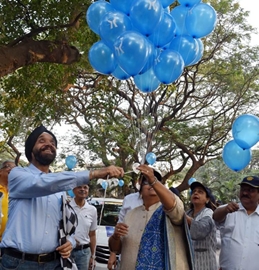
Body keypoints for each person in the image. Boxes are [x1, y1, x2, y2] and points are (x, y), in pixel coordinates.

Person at [0, 125, 124, 270]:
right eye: (42, 141)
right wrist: (94, 173)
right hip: (18, 264)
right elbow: (41, 184)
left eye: (53, 142)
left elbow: (65, 225)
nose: (49, 144)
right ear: (30, 150)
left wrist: (70, 241)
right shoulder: (17, 174)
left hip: (53, 263)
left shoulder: (59, 190)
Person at [108, 164, 193, 270]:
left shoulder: (169, 211)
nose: (151, 184)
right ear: (140, 188)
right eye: (146, 181)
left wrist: (153, 180)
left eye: (156, 181)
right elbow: (117, 249)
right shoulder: (131, 215)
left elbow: (175, 208)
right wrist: (115, 236)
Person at [213, 176, 259, 270]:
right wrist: (225, 210)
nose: (245, 193)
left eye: (250, 190)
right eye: (243, 189)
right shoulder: (230, 209)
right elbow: (215, 216)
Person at [185, 181, 217, 270]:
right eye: (194, 191)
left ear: (207, 199)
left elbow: (200, 231)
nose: (196, 193)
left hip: (205, 264)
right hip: (189, 262)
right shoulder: (188, 213)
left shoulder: (208, 213)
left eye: (200, 192)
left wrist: (185, 218)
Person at [70, 184, 97, 270]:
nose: (82, 189)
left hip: (84, 253)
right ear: (73, 190)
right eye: (79, 187)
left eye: (85, 187)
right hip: (67, 252)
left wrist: (93, 256)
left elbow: (92, 234)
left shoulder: (92, 210)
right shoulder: (66, 206)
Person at [0, 160, 16, 240]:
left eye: (15, 168)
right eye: (8, 166)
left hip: (10, 242)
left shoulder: (17, 191)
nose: (12, 170)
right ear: (0, 171)